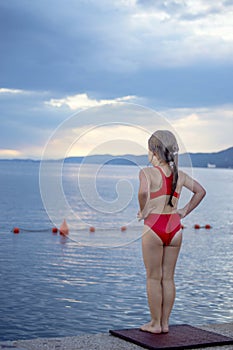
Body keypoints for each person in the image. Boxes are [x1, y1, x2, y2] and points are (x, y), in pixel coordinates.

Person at [138, 130, 206, 334]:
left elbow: (142, 192)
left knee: (152, 277)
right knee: (168, 278)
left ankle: (155, 324)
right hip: (175, 228)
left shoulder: (147, 173)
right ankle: (165, 324)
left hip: (154, 226)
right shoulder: (181, 175)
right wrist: (184, 210)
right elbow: (201, 192)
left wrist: (143, 210)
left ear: (154, 152)